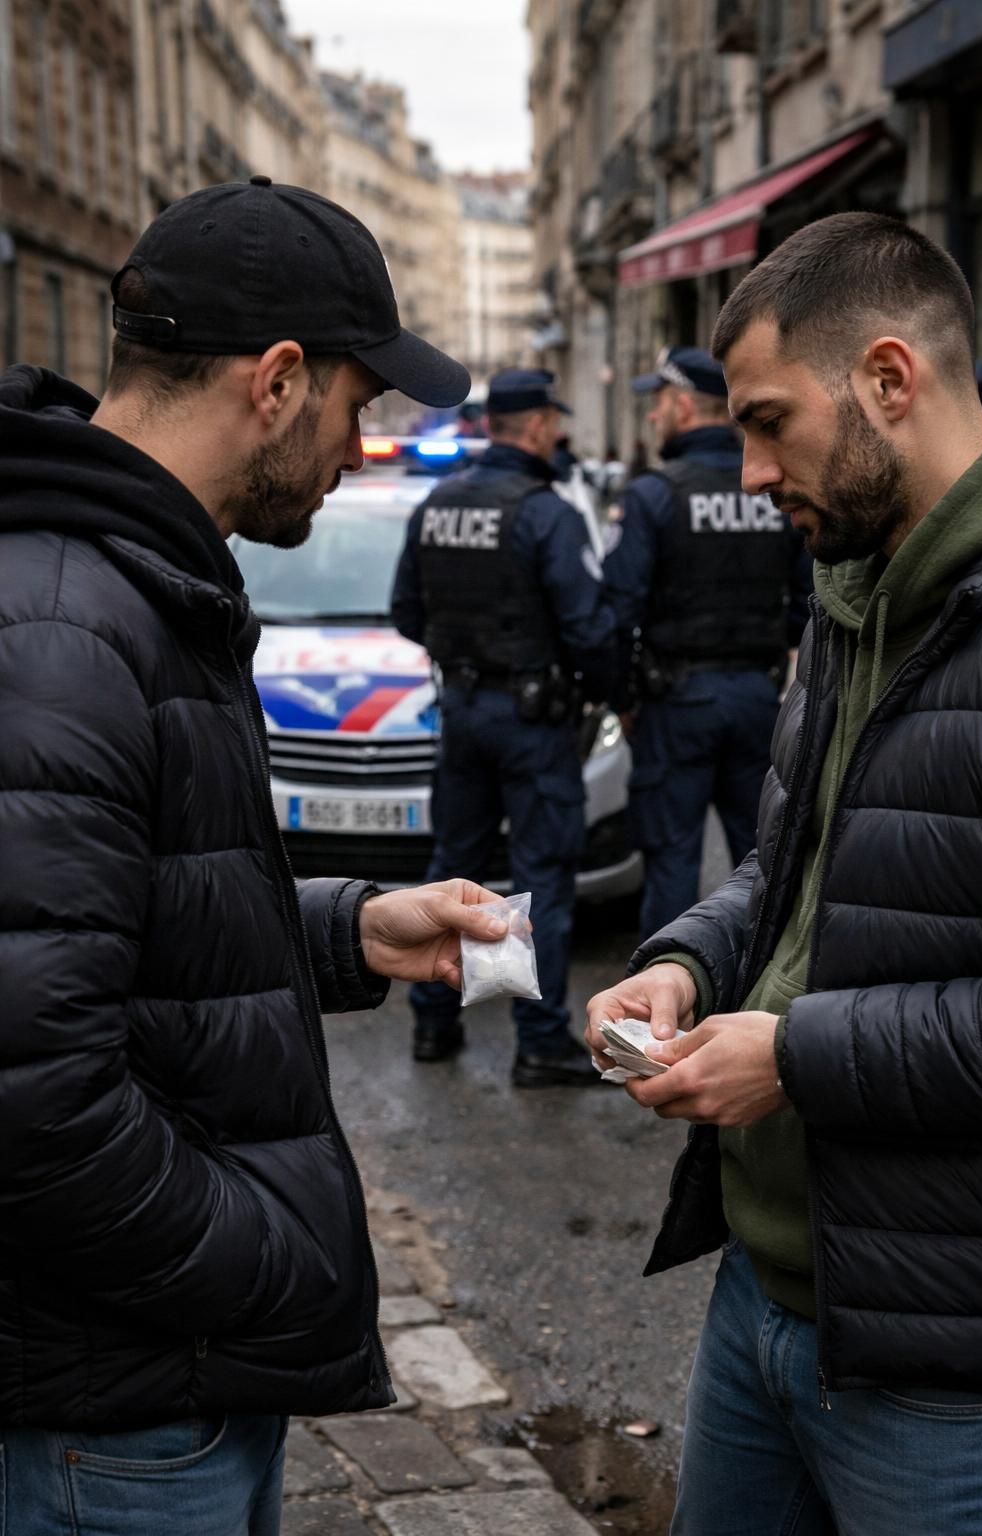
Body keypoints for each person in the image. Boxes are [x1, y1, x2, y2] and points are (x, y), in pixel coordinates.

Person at [0, 176, 513, 1535]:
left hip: (147, 1390)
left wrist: (347, 930)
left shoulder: (131, 574)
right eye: (358, 406)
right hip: (115, 1420)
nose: (358, 447)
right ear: (278, 381)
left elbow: (114, 934)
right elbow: (31, 1100)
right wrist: (261, 1257)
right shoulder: (66, 622)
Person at [586, 210, 982, 1535]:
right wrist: (682, 962)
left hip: (950, 1371)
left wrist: (798, 1055)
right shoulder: (849, 586)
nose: (753, 467)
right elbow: (794, 860)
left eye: (772, 422)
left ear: (891, 381)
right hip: (763, 1306)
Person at [391, 366, 616, 1086]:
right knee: (541, 877)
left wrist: (464, 658)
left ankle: (433, 1022)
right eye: (557, 421)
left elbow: (406, 613)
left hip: (461, 712)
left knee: (453, 865)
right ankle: (540, 1042)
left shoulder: (437, 503)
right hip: (532, 720)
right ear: (540, 425)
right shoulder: (545, 512)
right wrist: (605, 689)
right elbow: (588, 628)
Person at [602, 344, 809, 939]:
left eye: (660, 403)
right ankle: (750, 999)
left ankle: (661, 1010)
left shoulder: (654, 494)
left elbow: (618, 612)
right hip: (756, 696)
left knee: (672, 863)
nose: (653, 416)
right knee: (762, 864)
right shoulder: (770, 486)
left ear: (685, 406)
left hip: (675, 702)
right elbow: (809, 597)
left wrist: (624, 695)